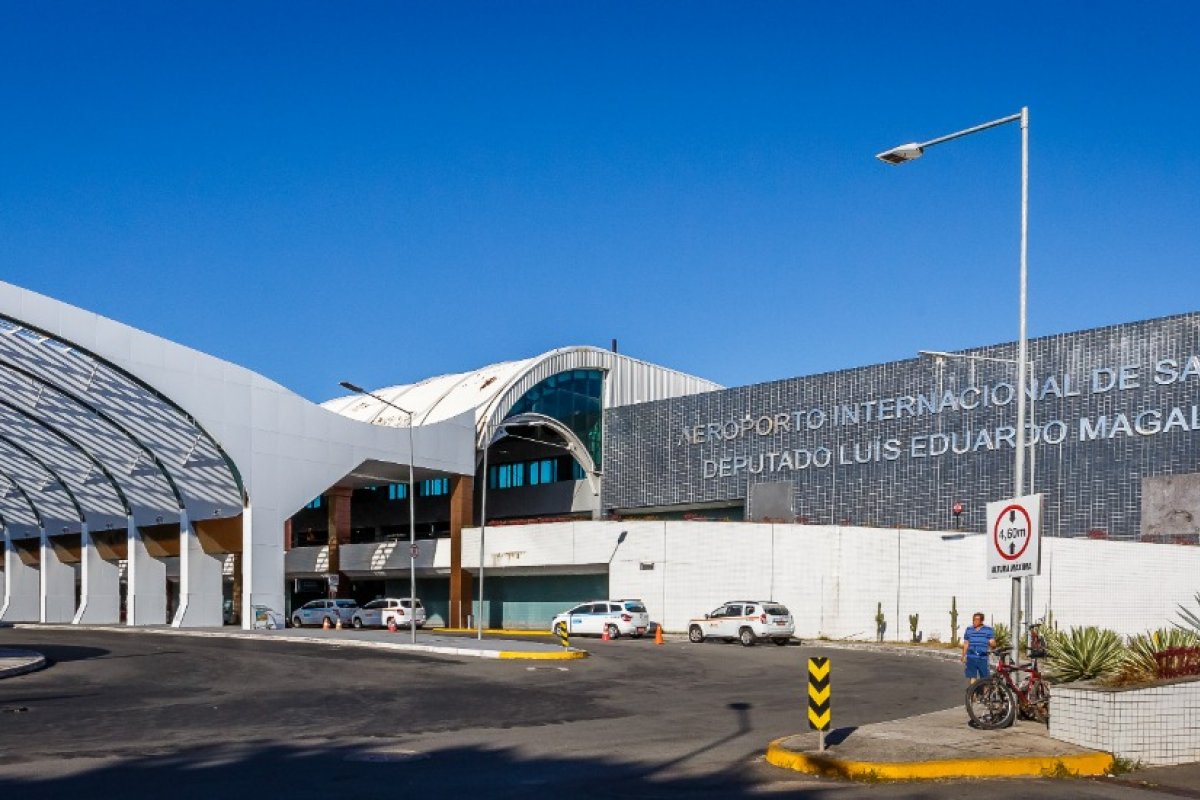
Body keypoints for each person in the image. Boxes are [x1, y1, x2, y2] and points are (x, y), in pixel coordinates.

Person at [961, 612, 996, 685]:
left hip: (982, 657)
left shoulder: (988, 629)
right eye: (973, 619)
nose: (974, 621)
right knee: (972, 677)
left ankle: (985, 695)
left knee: (985, 678)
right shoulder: (969, 629)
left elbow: (993, 643)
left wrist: (992, 644)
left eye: (977, 620)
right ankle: (972, 695)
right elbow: (966, 643)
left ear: (981, 621)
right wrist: (963, 656)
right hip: (971, 657)